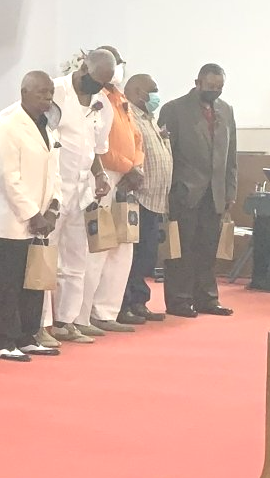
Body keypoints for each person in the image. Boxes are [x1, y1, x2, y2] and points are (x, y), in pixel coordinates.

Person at [0, 71, 62, 362]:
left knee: (34, 281)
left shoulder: (48, 126)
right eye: (42, 92)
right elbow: (8, 178)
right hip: (13, 220)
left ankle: (28, 336)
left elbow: (55, 172)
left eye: (51, 93)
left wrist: (54, 207)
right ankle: (4, 340)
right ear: (24, 92)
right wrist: (32, 213)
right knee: (10, 282)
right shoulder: (9, 127)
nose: (48, 98)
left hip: (42, 218)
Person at [48, 49, 117, 344]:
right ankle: (43, 325)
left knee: (76, 261)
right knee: (45, 259)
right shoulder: (55, 91)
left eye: (104, 82)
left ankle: (68, 321)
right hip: (53, 190)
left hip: (82, 191)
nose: (98, 87)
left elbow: (97, 148)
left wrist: (100, 175)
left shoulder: (103, 104)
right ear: (83, 68)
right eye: (96, 79)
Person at [159, 63, 238, 318]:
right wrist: (170, 190)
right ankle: (180, 301)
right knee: (182, 250)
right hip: (185, 190)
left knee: (207, 249)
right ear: (198, 82)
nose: (215, 91)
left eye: (220, 87)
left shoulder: (226, 110)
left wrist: (230, 190)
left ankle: (207, 299)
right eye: (211, 86)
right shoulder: (174, 109)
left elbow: (231, 154)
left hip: (215, 192)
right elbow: (166, 153)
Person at [87, 46, 145, 335]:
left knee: (123, 247)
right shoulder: (97, 98)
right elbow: (100, 146)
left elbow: (136, 137)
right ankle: (89, 312)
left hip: (127, 176)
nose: (118, 68)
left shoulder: (120, 97)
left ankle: (108, 310)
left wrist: (137, 165)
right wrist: (126, 166)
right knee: (101, 245)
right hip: (106, 174)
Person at [120, 72, 171, 324]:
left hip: (155, 198)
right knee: (134, 255)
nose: (156, 95)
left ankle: (140, 301)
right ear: (139, 92)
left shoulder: (148, 117)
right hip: (137, 198)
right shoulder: (129, 116)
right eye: (154, 90)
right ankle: (126, 303)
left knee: (147, 256)